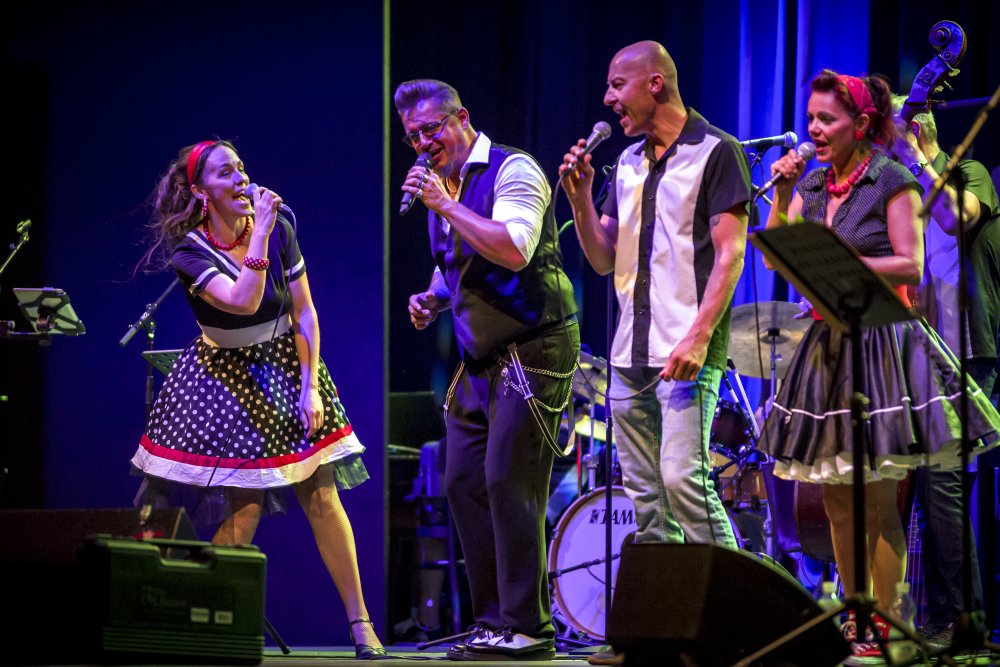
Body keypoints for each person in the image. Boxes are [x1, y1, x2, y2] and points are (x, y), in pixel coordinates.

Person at [762, 71, 1000, 663]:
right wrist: (782, 197)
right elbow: (777, 256)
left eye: (827, 119)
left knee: (878, 497)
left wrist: (840, 262)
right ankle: (855, 615)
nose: (814, 129)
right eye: (811, 118)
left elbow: (910, 263)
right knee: (838, 498)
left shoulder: (891, 178)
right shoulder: (812, 184)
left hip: (881, 344)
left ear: (861, 124)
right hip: (827, 343)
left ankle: (890, 623)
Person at [130, 140, 386, 659]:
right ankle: (199, 627)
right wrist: (262, 232)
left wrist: (310, 387)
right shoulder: (190, 252)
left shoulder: (279, 226)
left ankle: (361, 624)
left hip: (286, 364)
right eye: (226, 172)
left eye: (241, 167)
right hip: (226, 377)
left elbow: (304, 311)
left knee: (321, 495)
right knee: (243, 507)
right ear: (201, 191)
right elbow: (244, 301)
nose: (241, 178)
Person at [396, 79, 579, 661]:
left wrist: (445, 205)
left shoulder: (512, 169)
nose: (422, 143)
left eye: (431, 129)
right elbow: (453, 264)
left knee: (507, 477)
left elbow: (514, 248)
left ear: (462, 118)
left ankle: (530, 626)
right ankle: (494, 622)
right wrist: (433, 298)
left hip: (534, 344)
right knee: (463, 480)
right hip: (480, 356)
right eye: (412, 136)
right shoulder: (443, 186)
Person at [559, 40, 748, 551]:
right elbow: (603, 258)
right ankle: (670, 601)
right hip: (628, 355)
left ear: (655, 83)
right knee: (646, 500)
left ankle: (736, 594)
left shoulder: (717, 151)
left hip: (685, 350)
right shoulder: (626, 162)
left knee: (684, 482)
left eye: (617, 85)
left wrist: (700, 338)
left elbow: (730, 255)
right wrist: (580, 200)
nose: (607, 99)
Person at [887, 95, 1000, 649]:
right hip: (927, 356)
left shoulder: (969, 173)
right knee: (932, 491)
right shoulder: (906, 193)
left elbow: (956, 218)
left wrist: (915, 156)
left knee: (944, 484)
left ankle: (961, 622)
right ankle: (944, 620)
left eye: (889, 141)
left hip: (970, 350)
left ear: (916, 132)